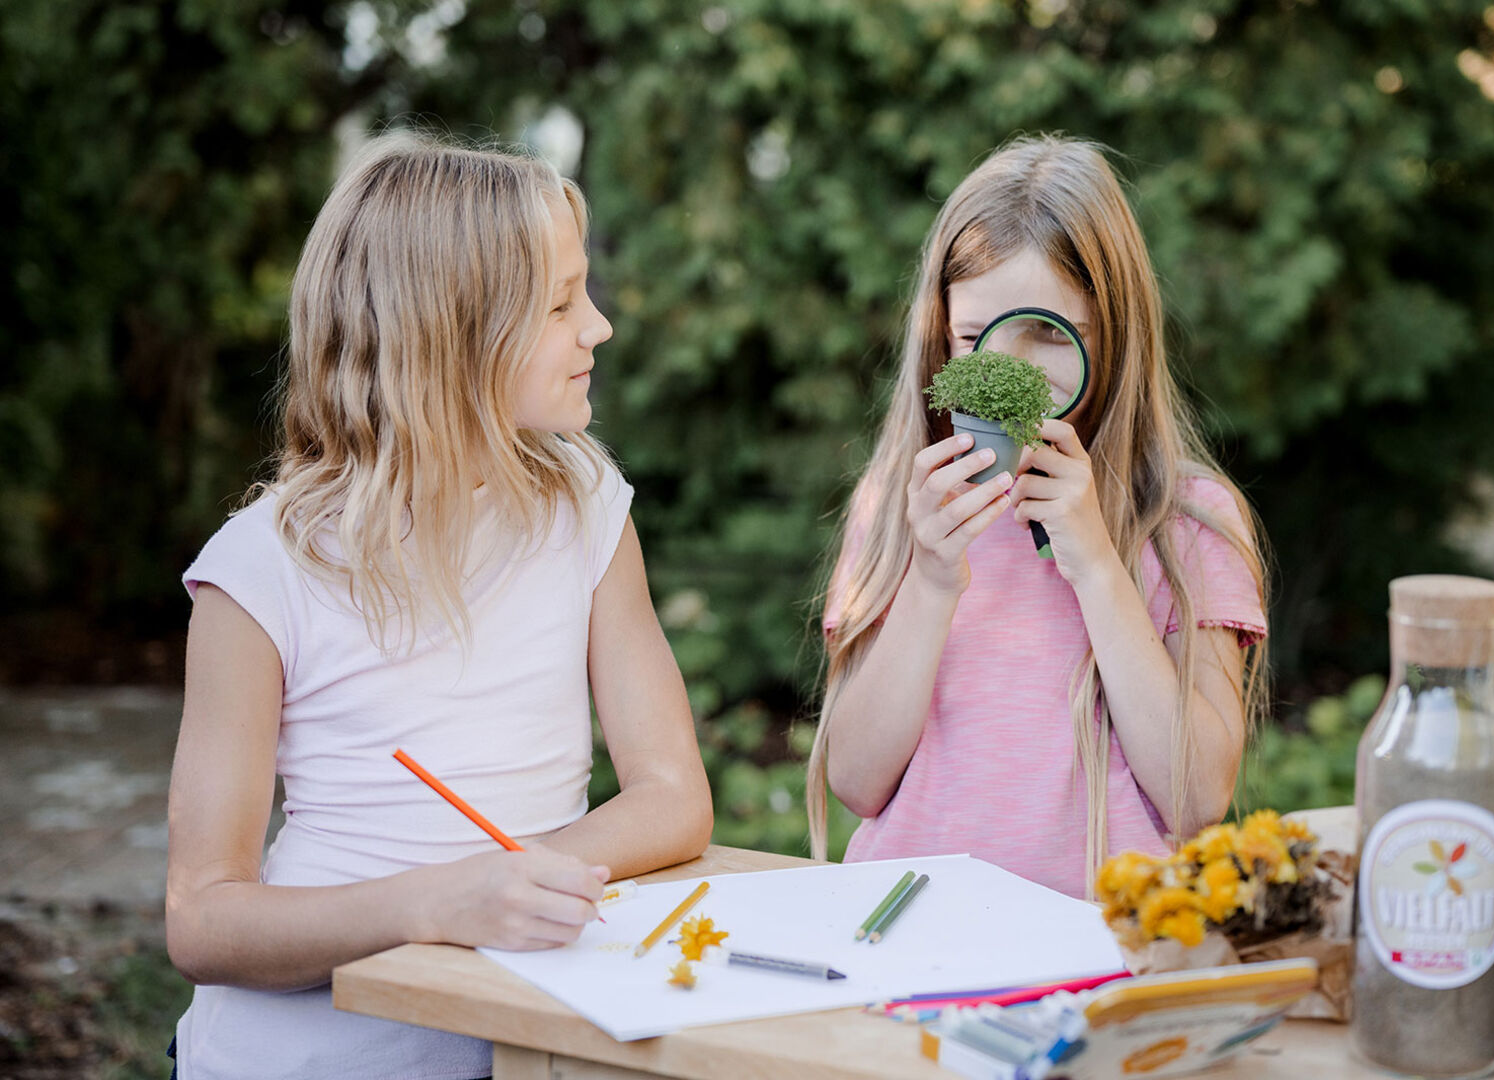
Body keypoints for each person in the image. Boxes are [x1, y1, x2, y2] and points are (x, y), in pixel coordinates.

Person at [164, 133, 713, 1080]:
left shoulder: (585, 507)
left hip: (519, 1048)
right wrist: (439, 903)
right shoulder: (258, 574)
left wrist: (518, 881)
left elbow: (673, 796)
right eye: (558, 304)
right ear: (454, 334)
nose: (598, 327)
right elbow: (203, 918)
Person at [807, 135, 1269, 899]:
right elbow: (855, 780)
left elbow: (1195, 800)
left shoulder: (1188, 521)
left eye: (1051, 335)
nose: (1008, 377)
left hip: (1099, 952)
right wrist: (928, 578)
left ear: (1113, 338)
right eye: (972, 341)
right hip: (912, 939)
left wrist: (1094, 562)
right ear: (939, 342)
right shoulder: (898, 506)